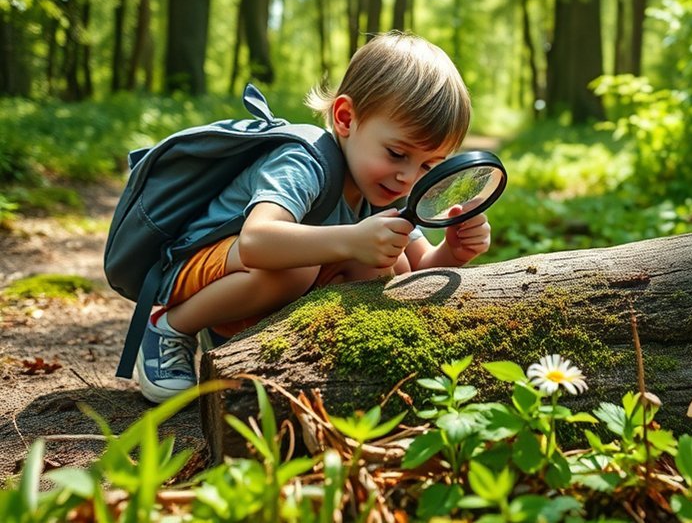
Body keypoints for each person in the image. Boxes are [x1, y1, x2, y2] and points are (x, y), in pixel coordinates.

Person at [136, 31, 488, 404]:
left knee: (391, 262)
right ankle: (169, 328)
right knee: (303, 266)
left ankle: (268, 349)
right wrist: (352, 240)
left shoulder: (383, 188)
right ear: (346, 118)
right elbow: (255, 241)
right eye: (397, 153)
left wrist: (455, 250)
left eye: (429, 166)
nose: (408, 178)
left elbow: (419, 270)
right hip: (198, 269)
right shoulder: (304, 164)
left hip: (249, 295)